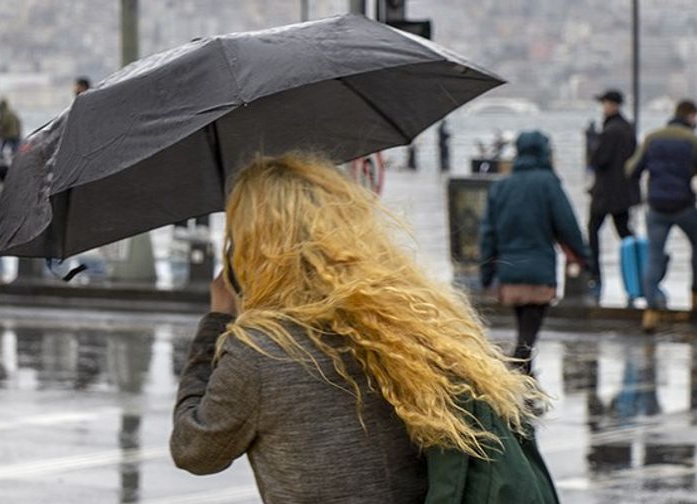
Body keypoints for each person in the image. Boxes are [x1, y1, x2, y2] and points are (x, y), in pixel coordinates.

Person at [172, 153, 556, 503]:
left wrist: (217, 320)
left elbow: (195, 449)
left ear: (254, 249)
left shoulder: (260, 353)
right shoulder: (404, 321)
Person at [480, 131, 588, 375]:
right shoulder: (548, 183)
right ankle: (521, 363)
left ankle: (524, 367)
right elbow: (566, 224)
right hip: (539, 267)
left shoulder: (501, 186)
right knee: (531, 324)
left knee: (524, 321)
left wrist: (486, 271)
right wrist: (584, 256)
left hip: (508, 269)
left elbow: (488, 232)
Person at [626, 100, 697, 332]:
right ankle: (694, 300)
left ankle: (650, 312)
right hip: (684, 205)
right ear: (690, 117)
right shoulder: (691, 140)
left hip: (656, 206)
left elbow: (631, 170)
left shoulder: (652, 137)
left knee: (654, 257)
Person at [587, 89, 639, 299]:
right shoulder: (627, 128)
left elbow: (599, 160)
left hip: (605, 193)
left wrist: (592, 142)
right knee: (625, 232)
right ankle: (638, 270)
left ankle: (595, 274)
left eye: (605, 104)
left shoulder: (609, 131)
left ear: (613, 105)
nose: (603, 108)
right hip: (623, 193)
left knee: (593, 231)